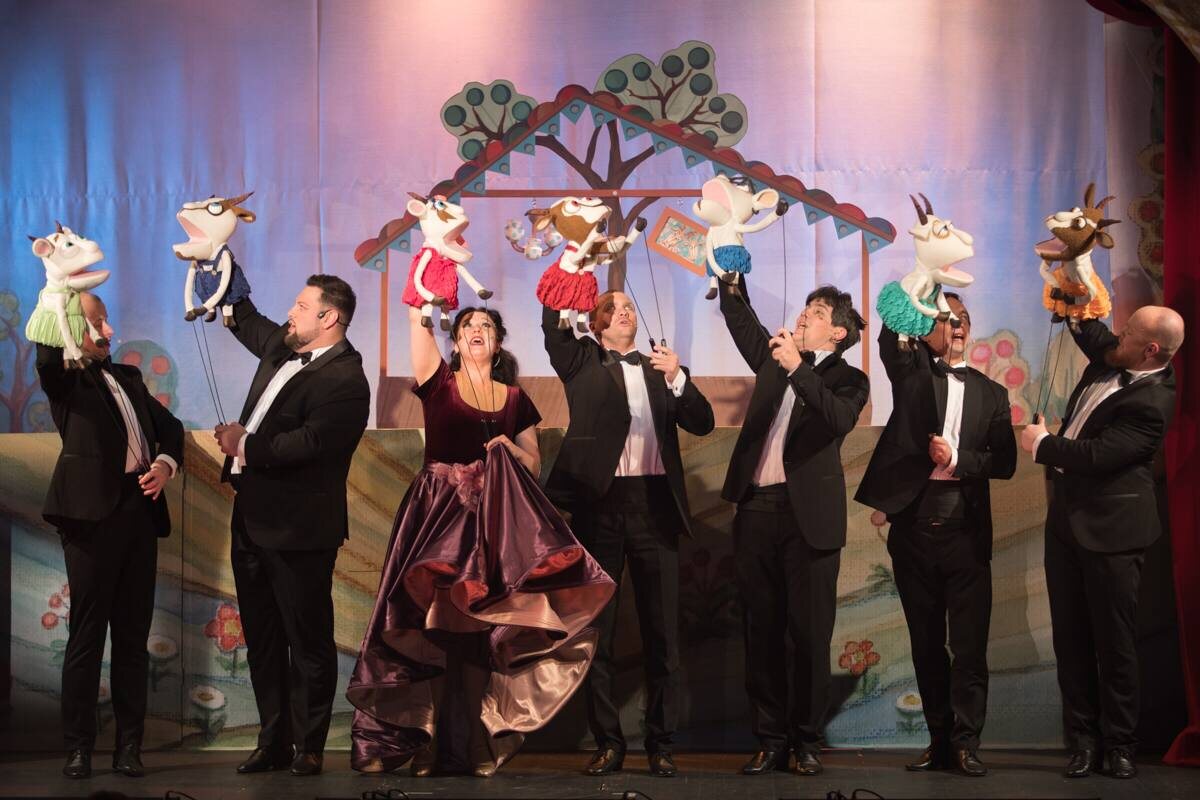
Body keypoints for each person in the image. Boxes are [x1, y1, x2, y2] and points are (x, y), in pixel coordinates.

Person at [346, 305, 614, 777]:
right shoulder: (439, 382)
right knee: (429, 628)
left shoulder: (515, 398)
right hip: (435, 518)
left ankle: (473, 742)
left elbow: (533, 463)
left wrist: (510, 448)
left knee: (476, 632)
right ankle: (427, 742)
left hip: (491, 522)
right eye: (467, 325)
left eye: (486, 325)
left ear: (499, 342)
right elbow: (417, 323)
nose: (476, 330)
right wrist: (427, 294)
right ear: (455, 341)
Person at [542, 290, 715, 778]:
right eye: (612, 308)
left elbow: (702, 422)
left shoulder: (661, 368)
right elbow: (552, 325)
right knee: (599, 633)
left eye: (629, 307)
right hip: (600, 507)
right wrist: (569, 273)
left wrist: (678, 377)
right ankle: (608, 743)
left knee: (663, 634)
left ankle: (661, 743)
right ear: (595, 323)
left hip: (655, 506)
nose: (624, 311)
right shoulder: (582, 361)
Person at [213, 275, 370, 777]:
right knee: (261, 639)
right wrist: (222, 272)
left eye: (301, 306)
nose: (291, 313)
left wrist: (243, 444)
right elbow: (250, 323)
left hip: (300, 528)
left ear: (329, 318)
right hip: (251, 520)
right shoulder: (285, 347)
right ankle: (273, 740)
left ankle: (310, 745)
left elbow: (311, 444)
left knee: (307, 640)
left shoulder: (347, 378)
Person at [1020, 307, 1183, 779]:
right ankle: (1083, 742)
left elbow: (1097, 456)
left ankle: (1121, 744)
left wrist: (1042, 444)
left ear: (1150, 350)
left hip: (1114, 531)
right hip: (1066, 526)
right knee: (1070, 638)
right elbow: (1092, 333)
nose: (1117, 336)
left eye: (1128, 333)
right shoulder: (1116, 356)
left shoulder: (1154, 401)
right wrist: (1072, 300)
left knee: (1114, 643)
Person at [856, 294, 1016, 777]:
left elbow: (1005, 463)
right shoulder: (913, 377)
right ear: (928, 329)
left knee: (968, 647)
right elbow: (890, 342)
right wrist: (912, 303)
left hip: (966, 533)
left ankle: (967, 744)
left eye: (961, 319)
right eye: (944, 320)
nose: (955, 326)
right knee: (925, 645)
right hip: (913, 530)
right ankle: (939, 741)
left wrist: (958, 459)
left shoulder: (992, 393)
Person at [717, 280, 869, 776]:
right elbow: (742, 321)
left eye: (817, 312)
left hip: (811, 520)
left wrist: (798, 369)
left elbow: (838, 419)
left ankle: (806, 740)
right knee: (760, 630)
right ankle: (769, 739)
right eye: (805, 308)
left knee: (808, 634)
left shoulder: (849, 378)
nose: (804, 315)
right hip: (757, 509)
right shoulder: (775, 359)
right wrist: (729, 279)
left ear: (838, 333)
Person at [34, 292, 184, 779]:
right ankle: (78, 747)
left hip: (139, 515)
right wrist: (56, 292)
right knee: (87, 636)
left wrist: (165, 464)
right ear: (72, 327)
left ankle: (128, 747)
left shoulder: (130, 378)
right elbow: (46, 357)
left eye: (107, 321)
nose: (108, 331)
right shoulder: (66, 380)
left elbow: (171, 429)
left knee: (133, 638)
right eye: (97, 323)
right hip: (89, 518)